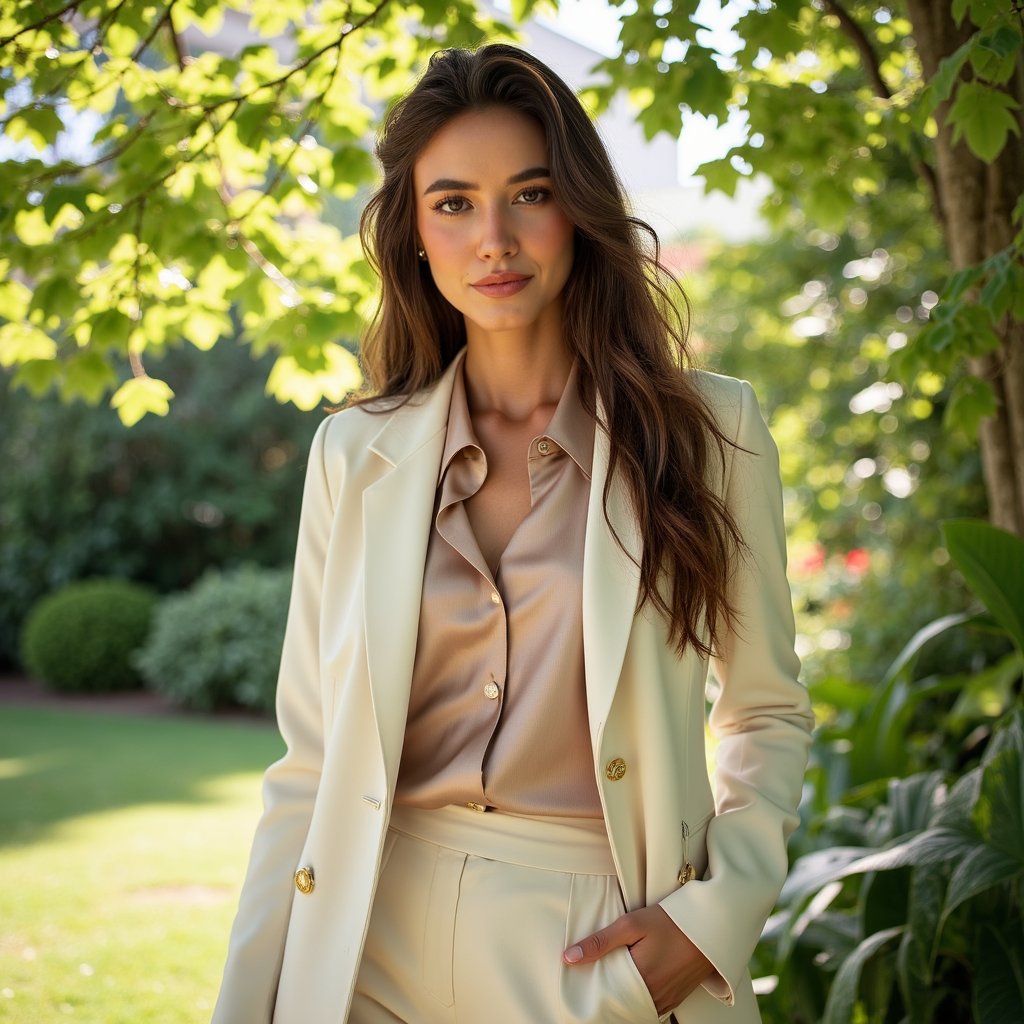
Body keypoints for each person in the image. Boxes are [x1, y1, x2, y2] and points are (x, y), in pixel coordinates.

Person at [212, 43, 813, 1024]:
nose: (494, 239)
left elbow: (765, 712)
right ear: (413, 232)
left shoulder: (708, 432)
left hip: (594, 940)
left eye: (529, 194)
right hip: (367, 938)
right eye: (453, 203)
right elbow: (309, 761)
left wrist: (713, 918)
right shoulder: (353, 454)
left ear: (579, 209)